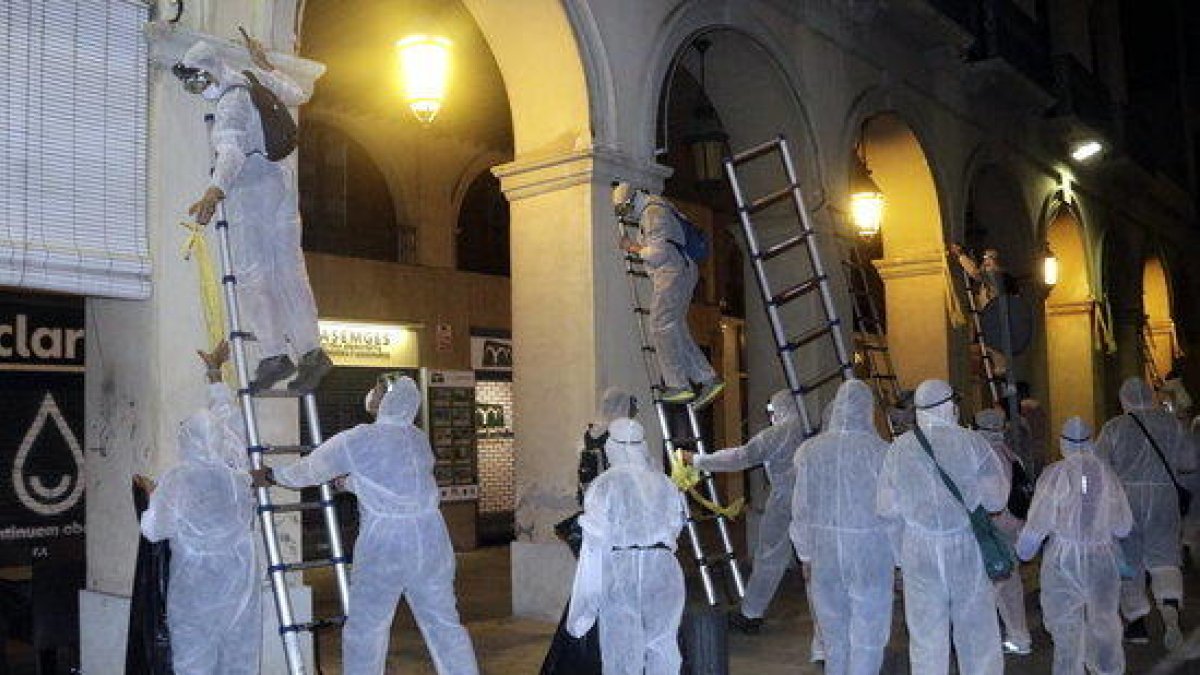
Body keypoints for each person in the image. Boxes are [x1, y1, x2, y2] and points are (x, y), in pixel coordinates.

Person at [253, 377, 479, 674]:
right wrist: (351, 483)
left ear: (387, 401)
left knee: (367, 629)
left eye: (380, 389)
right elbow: (398, 484)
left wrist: (272, 476)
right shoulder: (418, 439)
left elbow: (310, 470)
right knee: (445, 625)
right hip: (431, 539)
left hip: (385, 544)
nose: (373, 393)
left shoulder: (358, 439)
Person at [174, 34, 331, 392]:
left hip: (251, 191)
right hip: (281, 185)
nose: (197, 90)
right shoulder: (253, 80)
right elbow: (299, 94)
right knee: (288, 270)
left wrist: (215, 191)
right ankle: (311, 352)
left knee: (251, 275)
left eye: (198, 81)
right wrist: (265, 64)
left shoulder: (231, 103)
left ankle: (274, 354)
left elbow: (230, 153)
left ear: (210, 71)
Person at [138, 343, 260, 675]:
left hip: (194, 599)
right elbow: (226, 426)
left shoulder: (177, 480)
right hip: (240, 596)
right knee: (239, 665)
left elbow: (153, 530)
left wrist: (152, 495)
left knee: (194, 666)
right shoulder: (239, 479)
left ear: (187, 440)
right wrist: (214, 375)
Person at [877, 379, 1008, 675]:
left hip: (918, 551)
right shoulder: (972, 442)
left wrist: (901, 556)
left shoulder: (899, 449)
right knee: (977, 635)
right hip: (965, 548)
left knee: (926, 638)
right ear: (950, 406)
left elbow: (887, 509)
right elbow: (997, 499)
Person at [791, 379, 895, 675]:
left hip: (825, 556)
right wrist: (900, 557)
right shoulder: (883, 452)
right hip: (871, 555)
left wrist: (806, 554)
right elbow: (893, 511)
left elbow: (801, 508)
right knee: (869, 636)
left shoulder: (810, 451)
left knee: (833, 636)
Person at [567, 418, 686, 675]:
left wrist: (583, 608)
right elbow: (676, 526)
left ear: (611, 446)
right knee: (663, 644)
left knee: (620, 649)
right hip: (663, 569)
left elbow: (593, 548)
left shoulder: (603, 485)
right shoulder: (665, 483)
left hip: (620, 571)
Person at [681, 388, 807, 632]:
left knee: (770, 556)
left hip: (785, 500)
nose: (770, 416)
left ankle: (751, 614)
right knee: (819, 562)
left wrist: (698, 460)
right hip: (816, 500)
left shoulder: (779, 433)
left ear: (779, 408)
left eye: (771, 411)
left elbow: (741, 457)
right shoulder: (810, 429)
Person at [1017, 417, 1133, 675]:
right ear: (1091, 441)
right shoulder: (1107, 473)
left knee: (1066, 631)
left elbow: (1037, 523)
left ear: (1062, 442)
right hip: (1102, 560)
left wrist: (1024, 550)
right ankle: (1108, 670)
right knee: (1104, 624)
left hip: (1063, 562)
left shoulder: (1053, 475)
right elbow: (1123, 526)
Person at [542, 387, 638, 675]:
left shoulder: (589, 434)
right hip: (617, 525)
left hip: (591, 521)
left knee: (589, 588)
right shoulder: (621, 438)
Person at [1096, 376, 1196, 649]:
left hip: (1126, 500)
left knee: (1130, 559)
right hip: (1164, 498)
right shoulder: (1170, 423)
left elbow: (1099, 466)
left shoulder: (1114, 427)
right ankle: (1170, 612)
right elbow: (1190, 460)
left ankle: (1137, 622)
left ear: (1123, 399)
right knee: (1164, 557)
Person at [614, 182, 723, 408]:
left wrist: (631, 247)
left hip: (671, 273)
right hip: (679, 271)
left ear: (633, 201)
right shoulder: (660, 208)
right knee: (674, 328)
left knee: (660, 325)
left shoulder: (653, 213)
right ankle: (706, 378)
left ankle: (678, 385)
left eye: (625, 210)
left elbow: (657, 254)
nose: (627, 216)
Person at [975, 408, 1032, 656]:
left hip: (992, 530)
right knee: (1010, 585)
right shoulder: (1012, 455)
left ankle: (981, 643)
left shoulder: (980, 457)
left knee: (987, 587)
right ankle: (1019, 638)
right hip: (1014, 527)